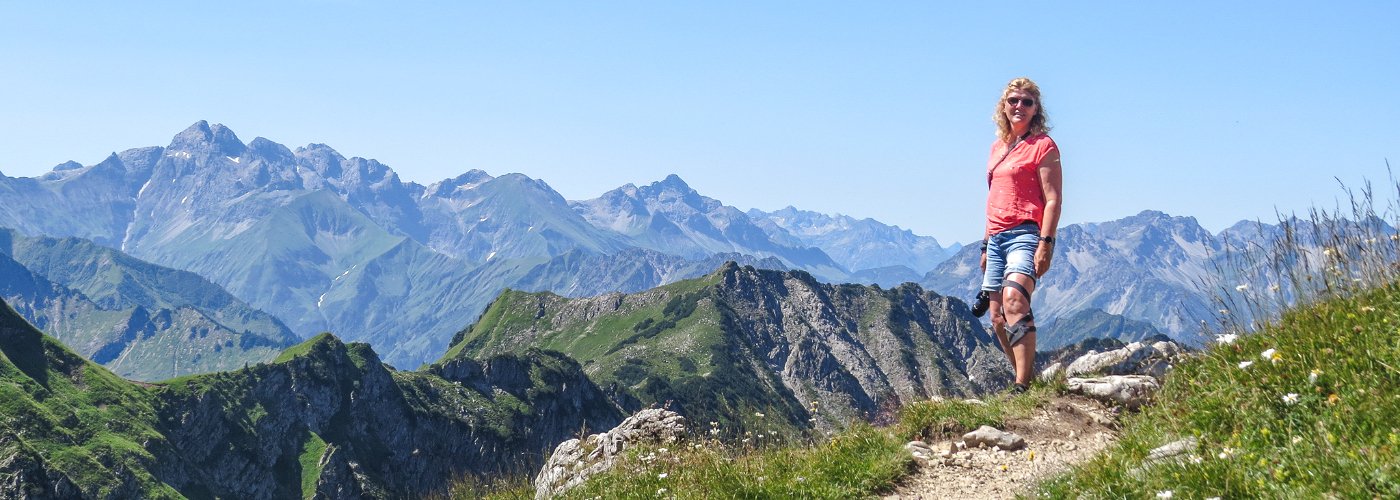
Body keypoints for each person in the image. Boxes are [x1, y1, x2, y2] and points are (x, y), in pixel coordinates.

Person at [974, 77, 1062, 393]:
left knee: (1015, 301)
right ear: (1004, 106)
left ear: (1036, 109)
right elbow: (993, 197)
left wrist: (1046, 243)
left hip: (1025, 234)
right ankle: (1025, 379)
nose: (1019, 106)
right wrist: (985, 245)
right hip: (996, 238)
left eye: (1027, 102)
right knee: (997, 317)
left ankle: (1021, 384)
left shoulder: (1043, 146)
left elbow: (1052, 198)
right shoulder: (997, 148)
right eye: (1013, 100)